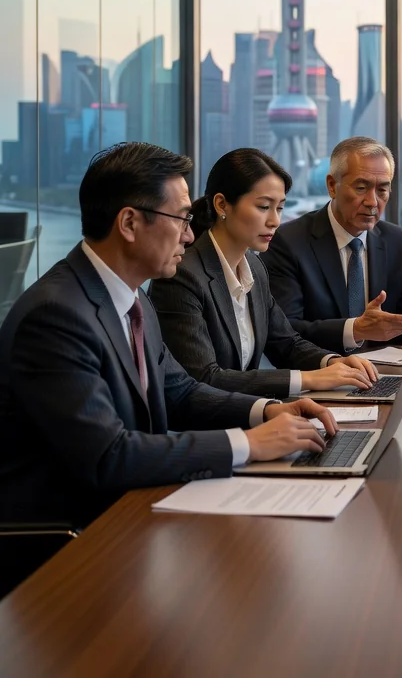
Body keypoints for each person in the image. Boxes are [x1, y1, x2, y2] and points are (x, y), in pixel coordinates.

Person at [0, 143, 337, 527]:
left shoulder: (134, 299)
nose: (190, 236)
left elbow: (180, 391)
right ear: (128, 224)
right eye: (180, 218)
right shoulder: (56, 316)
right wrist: (249, 444)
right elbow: (108, 456)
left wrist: (267, 411)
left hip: (132, 510)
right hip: (68, 542)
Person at [150, 148, 379, 398]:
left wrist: (332, 362)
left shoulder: (255, 267)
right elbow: (205, 378)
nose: (274, 221)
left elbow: (286, 342)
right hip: (208, 429)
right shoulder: (183, 276)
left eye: (279, 208)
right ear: (221, 204)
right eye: (263, 207)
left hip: (248, 415)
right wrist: (309, 378)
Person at [263, 136, 402, 355]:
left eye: (382, 190)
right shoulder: (289, 242)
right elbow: (285, 330)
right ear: (332, 186)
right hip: (322, 374)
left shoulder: (395, 239)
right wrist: (354, 330)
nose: (373, 201)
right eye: (362, 188)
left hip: (386, 373)